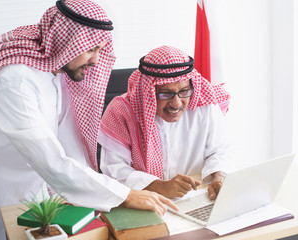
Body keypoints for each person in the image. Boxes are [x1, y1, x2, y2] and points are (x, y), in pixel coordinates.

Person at [0, 2, 177, 239]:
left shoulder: (56, 72)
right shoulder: (13, 82)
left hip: (18, 184)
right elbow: (51, 159)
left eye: (99, 50)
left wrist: (107, 193)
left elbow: (69, 147)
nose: (96, 60)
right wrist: (124, 195)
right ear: (68, 43)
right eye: (91, 49)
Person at [99, 45, 233, 201]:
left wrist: (220, 176)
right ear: (147, 91)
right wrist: (159, 186)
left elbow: (220, 151)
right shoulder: (121, 112)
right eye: (166, 93)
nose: (176, 104)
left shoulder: (205, 105)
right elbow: (114, 170)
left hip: (196, 198)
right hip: (143, 200)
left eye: (184, 91)